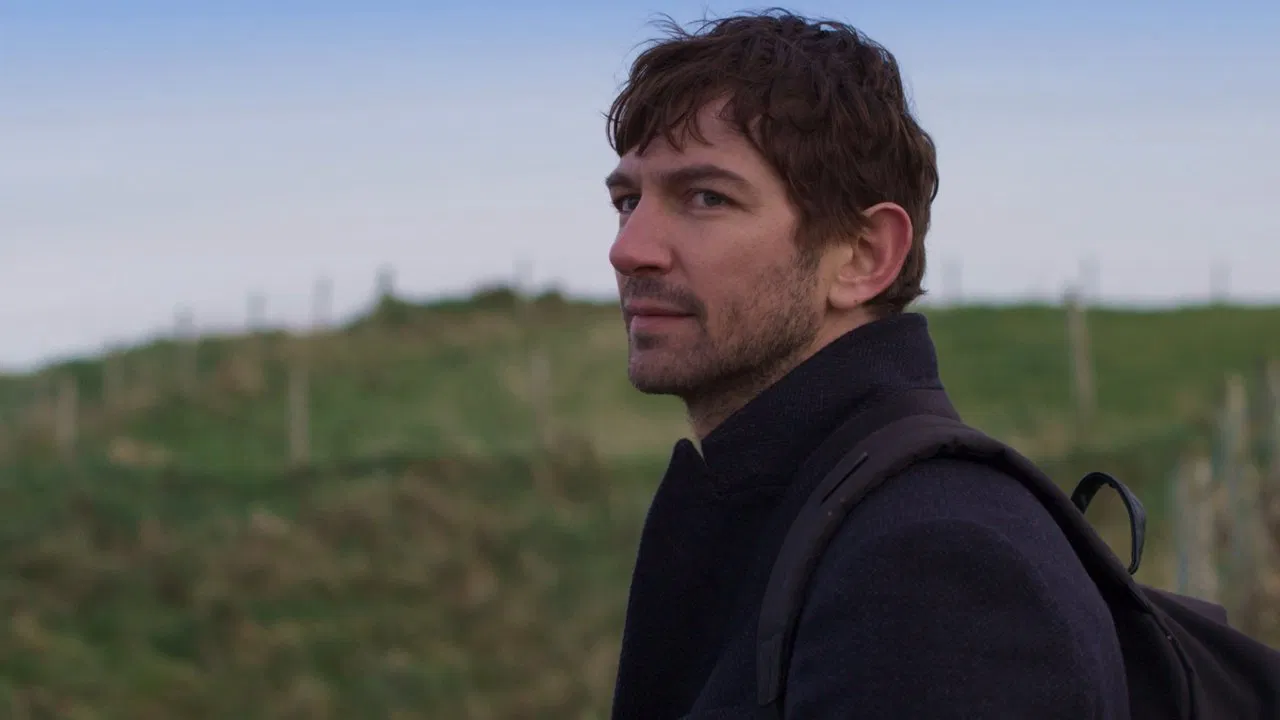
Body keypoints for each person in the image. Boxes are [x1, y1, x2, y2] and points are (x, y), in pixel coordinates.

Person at [603, 9, 1129, 719]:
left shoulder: (935, 565)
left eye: (706, 197)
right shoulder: (810, 512)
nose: (628, 249)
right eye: (628, 200)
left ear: (863, 255)